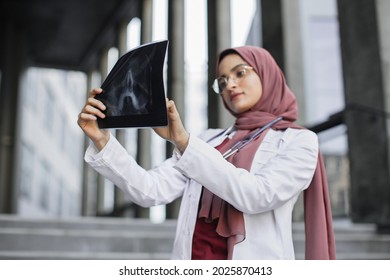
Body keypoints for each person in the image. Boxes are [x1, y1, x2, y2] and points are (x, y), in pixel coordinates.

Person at [77, 45, 336, 260]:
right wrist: (102, 140)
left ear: (267, 74)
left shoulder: (299, 141)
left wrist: (183, 141)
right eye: (222, 81)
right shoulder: (208, 139)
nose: (230, 85)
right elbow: (150, 190)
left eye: (240, 73)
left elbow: (257, 195)